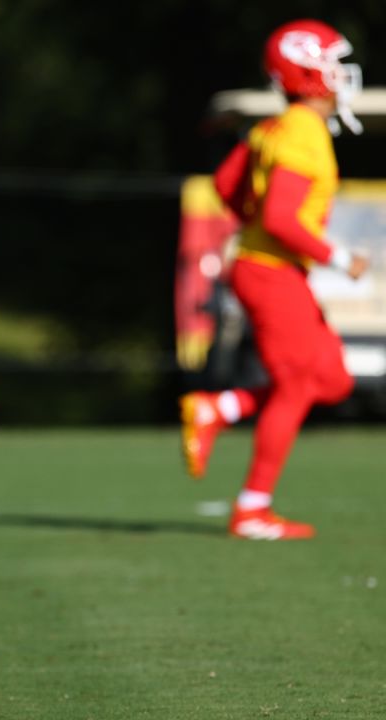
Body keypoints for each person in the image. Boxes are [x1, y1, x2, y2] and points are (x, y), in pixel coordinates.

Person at [181, 19, 368, 540]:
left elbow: (226, 184)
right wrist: (339, 257)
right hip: (271, 271)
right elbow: (284, 218)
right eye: (332, 63)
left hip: (268, 268)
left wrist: (255, 218)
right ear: (310, 73)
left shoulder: (273, 126)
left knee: (332, 379)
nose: (342, 74)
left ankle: (220, 406)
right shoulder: (303, 131)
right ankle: (252, 508)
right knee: (299, 383)